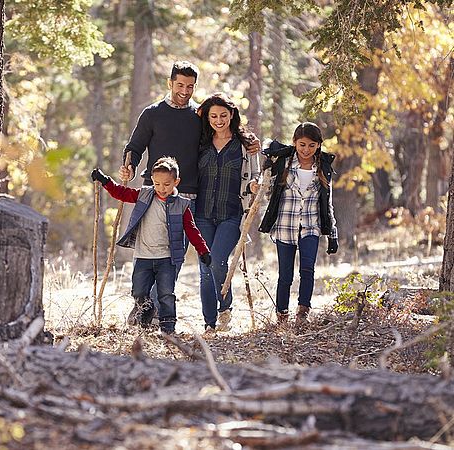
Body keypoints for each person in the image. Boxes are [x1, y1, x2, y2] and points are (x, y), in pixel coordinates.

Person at [119, 61, 261, 324]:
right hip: (155, 195)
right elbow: (135, 146)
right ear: (170, 83)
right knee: (153, 253)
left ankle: (155, 310)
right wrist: (128, 165)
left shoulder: (198, 116)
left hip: (190, 199)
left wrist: (250, 141)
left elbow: (223, 135)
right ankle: (145, 306)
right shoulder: (152, 114)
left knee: (175, 257)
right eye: (180, 85)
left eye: (190, 86)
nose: (185, 90)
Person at [91, 157, 211, 334]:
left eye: (166, 184)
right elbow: (121, 193)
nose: (162, 189)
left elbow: (192, 230)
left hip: (167, 259)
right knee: (138, 291)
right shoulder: (145, 195)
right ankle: (145, 313)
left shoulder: (182, 205)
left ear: (176, 182)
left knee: (166, 294)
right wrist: (105, 181)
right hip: (143, 257)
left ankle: (168, 328)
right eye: (157, 184)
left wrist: (203, 250)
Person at [258, 122, 339, 326]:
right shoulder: (283, 163)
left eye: (312, 145)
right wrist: (266, 172)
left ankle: (303, 312)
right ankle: (282, 315)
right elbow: (268, 192)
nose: (306, 150)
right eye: (302, 144)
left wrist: (332, 232)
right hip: (285, 225)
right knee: (285, 274)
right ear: (295, 143)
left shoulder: (323, 167)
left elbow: (327, 201)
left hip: (310, 225)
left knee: (307, 270)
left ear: (319, 145)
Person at [195, 93, 261, 335]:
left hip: (232, 214)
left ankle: (225, 307)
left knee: (218, 261)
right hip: (201, 214)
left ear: (232, 115)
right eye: (213, 116)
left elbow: (256, 174)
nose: (219, 120)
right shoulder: (200, 143)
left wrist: (254, 184)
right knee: (205, 268)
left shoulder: (245, 145)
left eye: (223, 115)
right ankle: (209, 323)